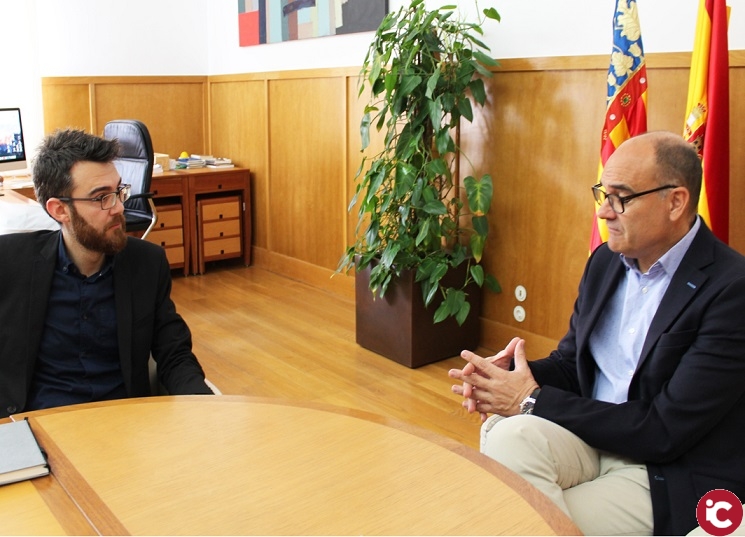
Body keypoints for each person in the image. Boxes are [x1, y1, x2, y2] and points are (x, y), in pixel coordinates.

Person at [449, 131, 745, 536]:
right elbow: (573, 363)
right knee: (506, 437)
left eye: (620, 198)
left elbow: (664, 431)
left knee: (520, 516)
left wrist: (530, 399)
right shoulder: (605, 261)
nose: (604, 212)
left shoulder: (732, 289)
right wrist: (511, 377)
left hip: (665, 467)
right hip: (592, 435)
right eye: (603, 194)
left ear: (675, 202)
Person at [0, 128, 213, 418]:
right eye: (102, 198)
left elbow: (174, 354)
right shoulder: (11, 262)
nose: (119, 208)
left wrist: (205, 409)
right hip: (41, 424)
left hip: (123, 423)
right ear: (59, 210)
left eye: (118, 192)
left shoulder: (147, 264)